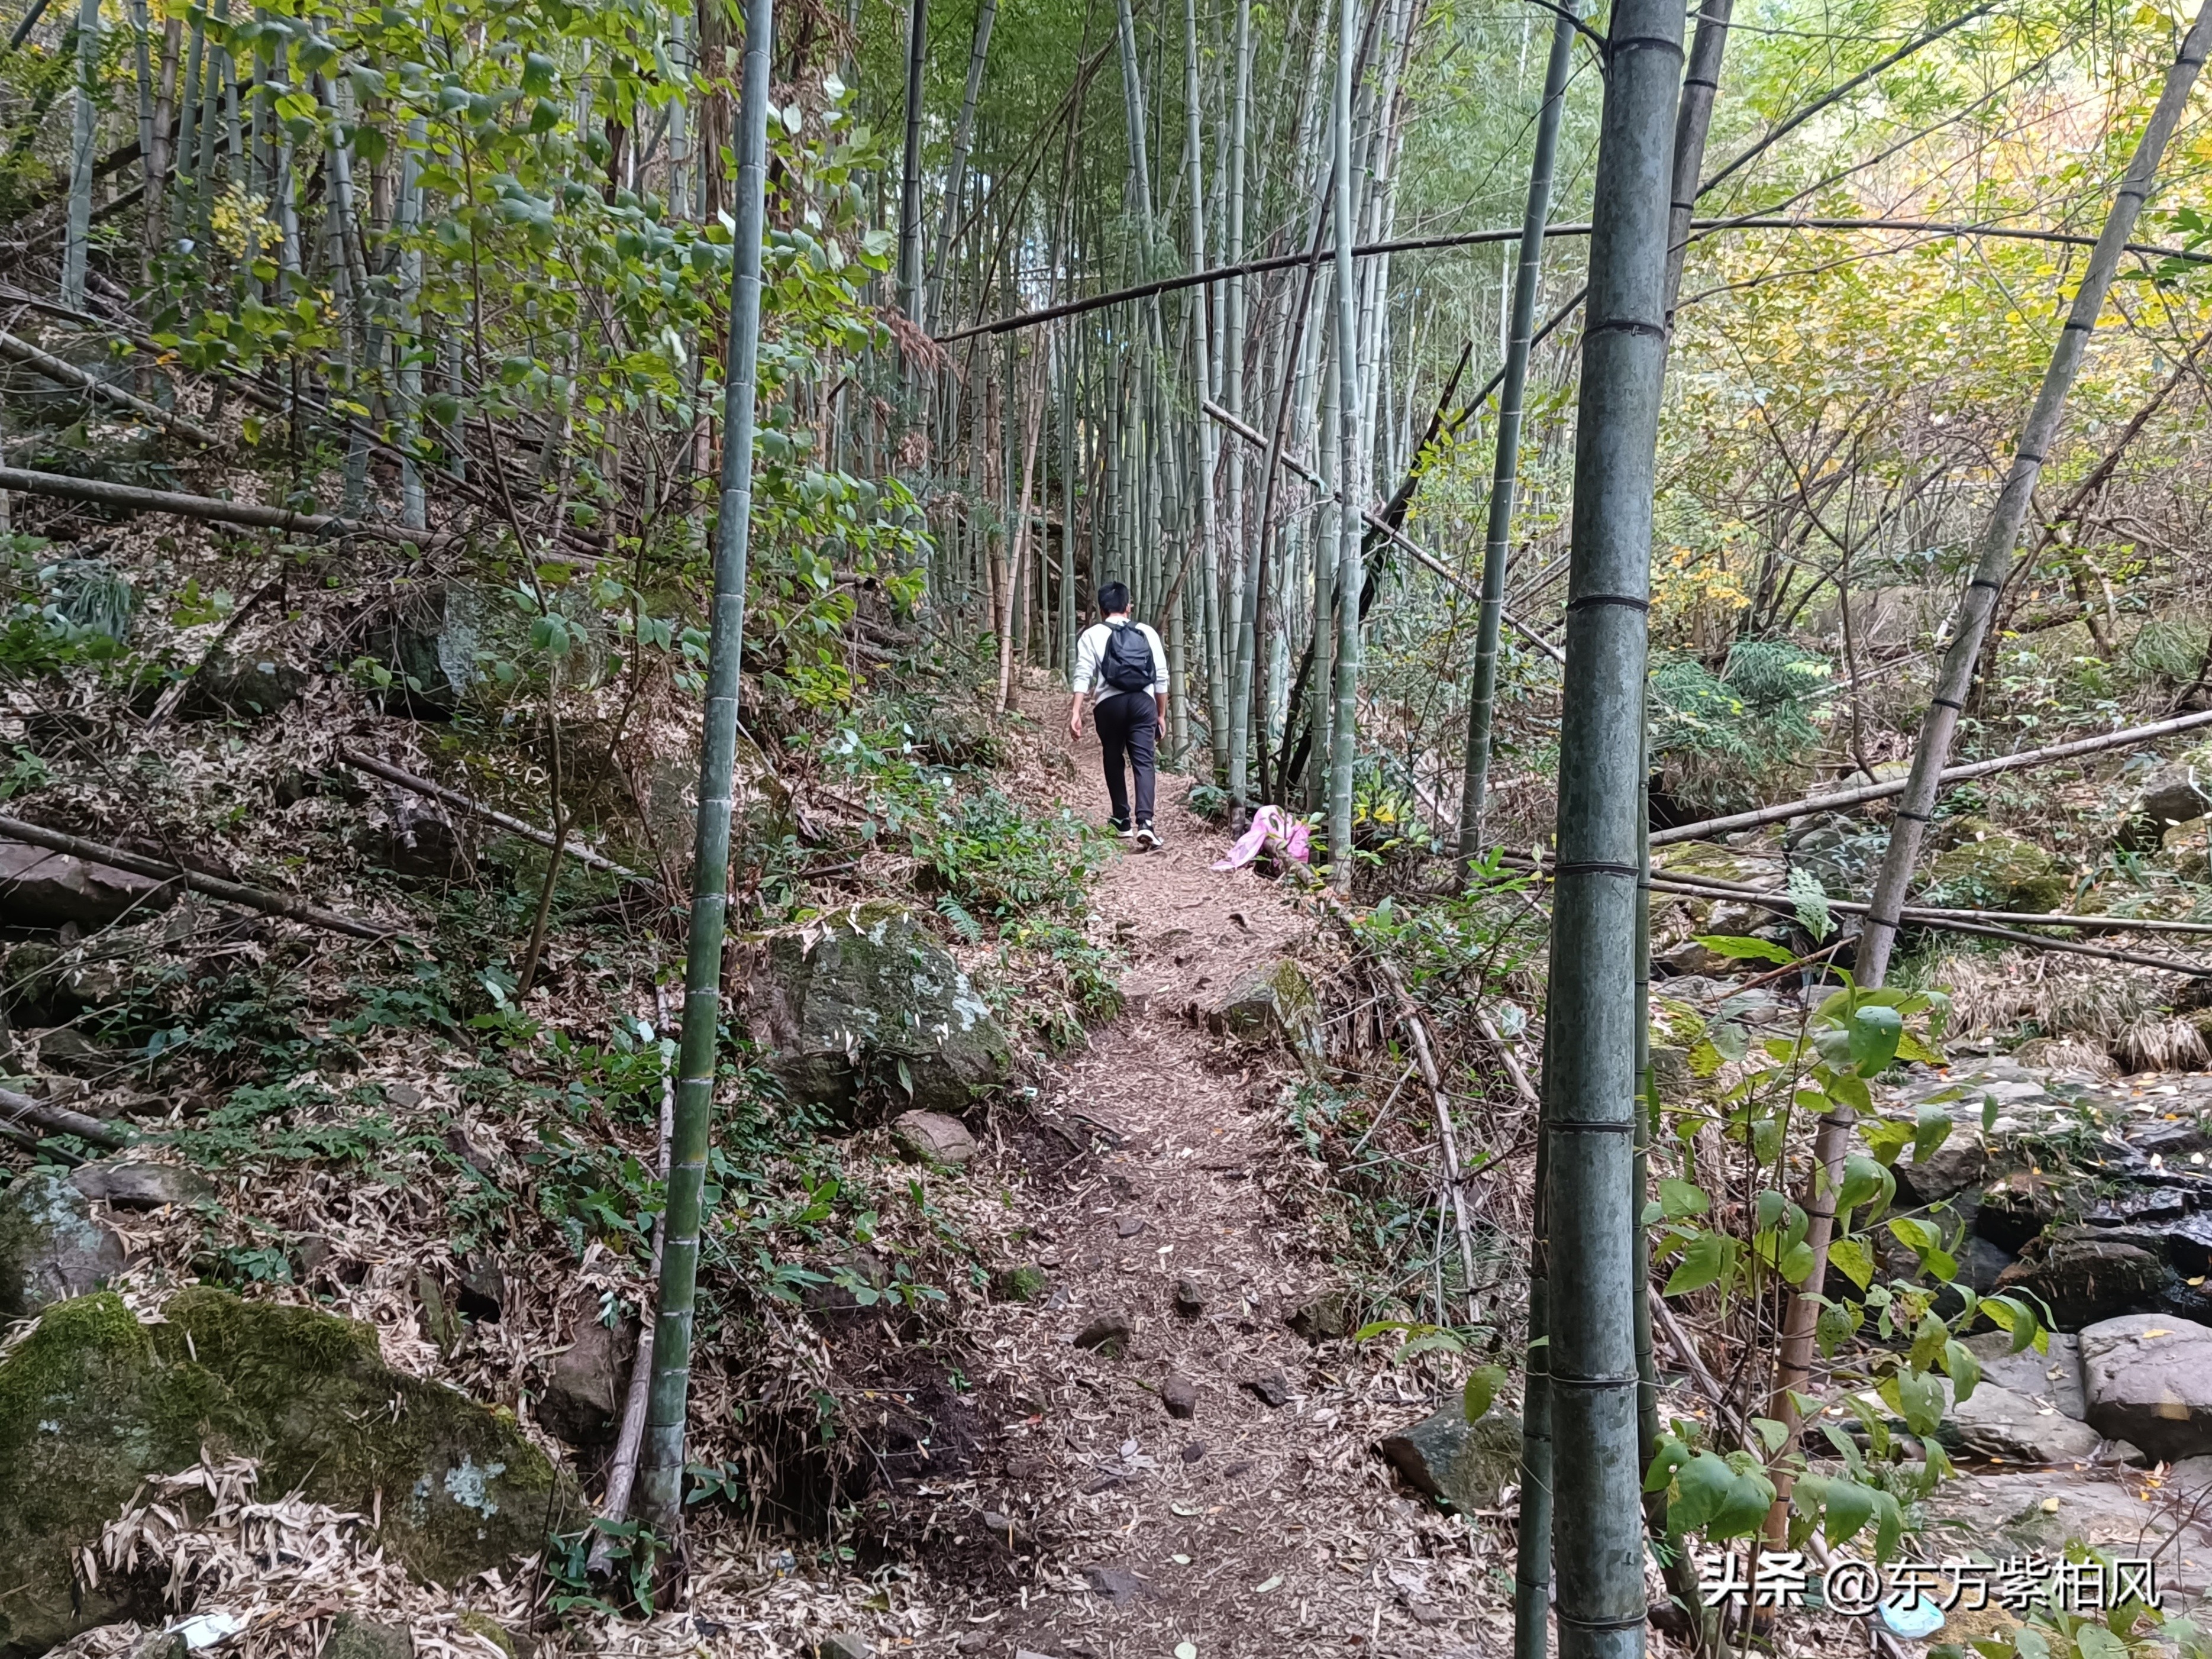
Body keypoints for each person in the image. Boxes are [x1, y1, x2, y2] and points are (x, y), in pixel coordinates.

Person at [1067, 582, 1170, 847]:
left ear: (1102, 610)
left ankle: (1122, 821)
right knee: (1143, 762)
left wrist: (1076, 712)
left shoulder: (1092, 634)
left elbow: (1083, 674)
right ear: (1128, 607)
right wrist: (1161, 714)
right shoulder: (1146, 632)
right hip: (1142, 703)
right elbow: (1161, 677)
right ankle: (1146, 823)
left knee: (1113, 757)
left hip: (1109, 705)